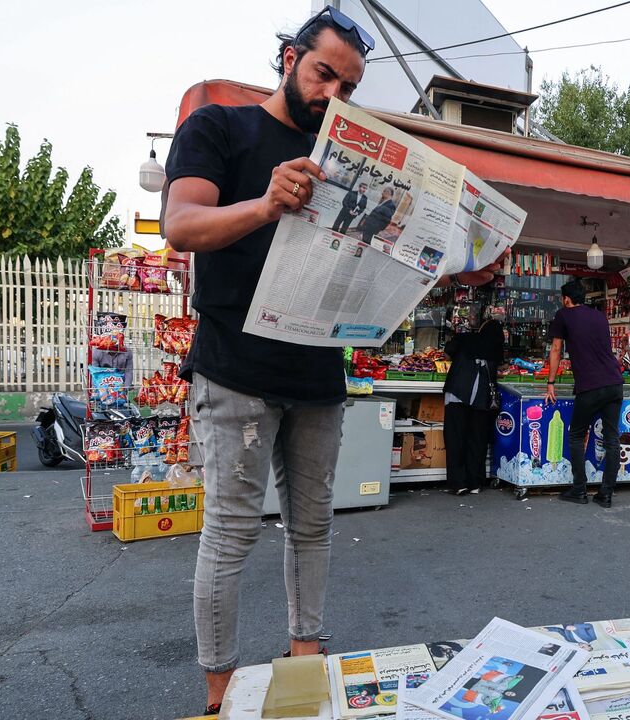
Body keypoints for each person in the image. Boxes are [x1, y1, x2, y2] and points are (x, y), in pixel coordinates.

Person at [160, 7, 373, 714]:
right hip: (235, 369)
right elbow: (181, 225)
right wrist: (265, 203)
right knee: (231, 531)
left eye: (348, 87)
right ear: (289, 57)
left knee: (314, 526)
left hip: (317, 369)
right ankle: (220, 693)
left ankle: (305, 665)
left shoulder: (347, 155)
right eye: (323, 75)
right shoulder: (220, 127)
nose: (332, 97)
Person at [545, 281, 624, 508]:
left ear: (566, 299)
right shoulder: (599, 316)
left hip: (590, 386)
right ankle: (606, 494)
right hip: (614, 382)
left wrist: (551, 382)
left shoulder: (563, 315)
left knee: (576, 436)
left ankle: (579, 489)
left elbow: (556, 349)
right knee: (612, 439)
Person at [443, 306, 505, 495]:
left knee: (456, 438)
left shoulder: (464, 338)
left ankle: (458, 482)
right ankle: (475, 483)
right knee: (477, 439)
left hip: (458, 394)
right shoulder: (496, 349)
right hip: (481, 398)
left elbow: (447, 354)